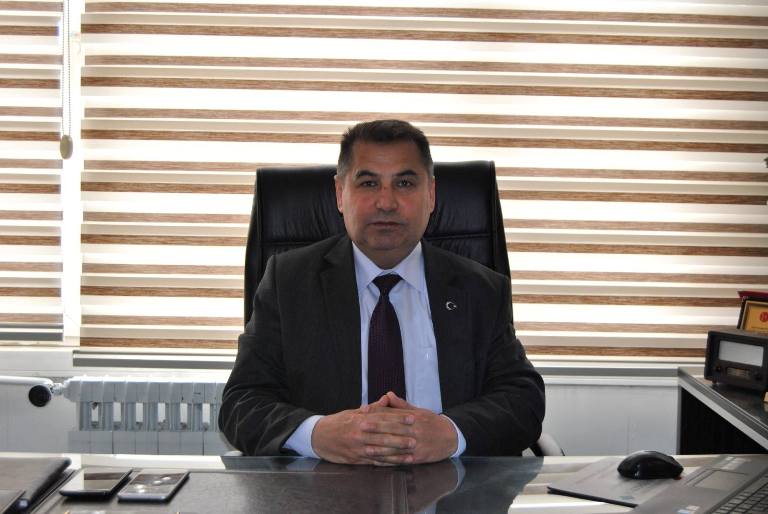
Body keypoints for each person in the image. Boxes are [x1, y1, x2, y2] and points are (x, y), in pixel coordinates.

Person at [219, 119, 545, 465]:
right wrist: (316, 434)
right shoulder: (288, 282)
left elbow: (522, 400)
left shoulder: (480, 289)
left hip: (453, 484)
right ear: (340, 194)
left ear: (431, 194)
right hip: (324, 486)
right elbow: (242, 403)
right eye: (368, 183)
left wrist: (451, 434)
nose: (386, 202)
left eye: (404, 183)